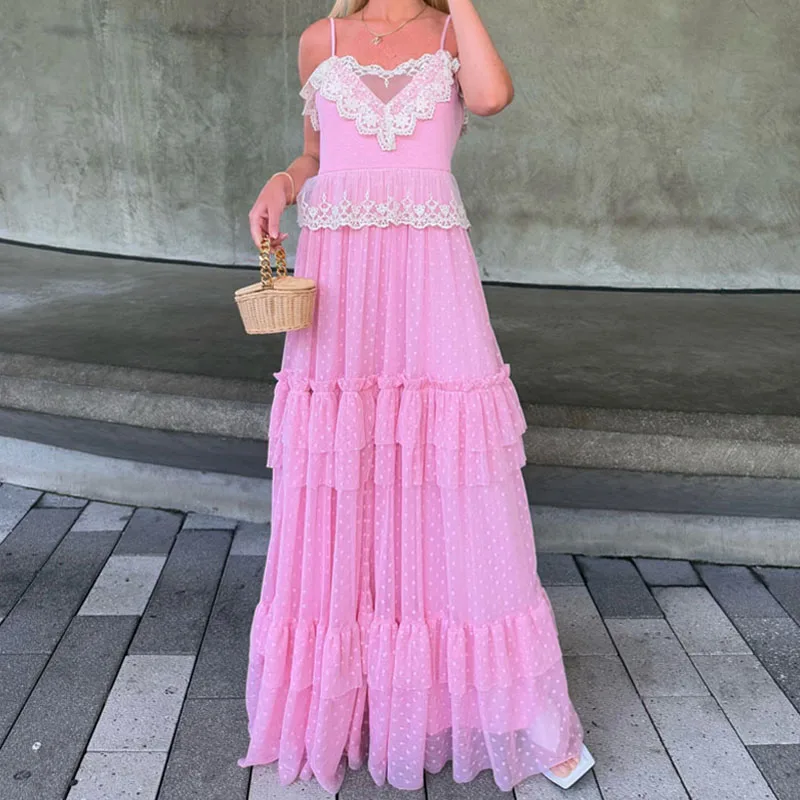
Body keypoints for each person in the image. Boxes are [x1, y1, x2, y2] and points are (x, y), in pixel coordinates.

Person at [237, 0, 595, 793]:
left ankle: (516, 708)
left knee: (457, 470)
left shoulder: (452, 32)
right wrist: (283, 181)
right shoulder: (320, 40)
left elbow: (492, 97)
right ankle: (350, 698)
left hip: (431, 286)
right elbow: (315, 154)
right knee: (348, 474)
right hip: (340, 288)